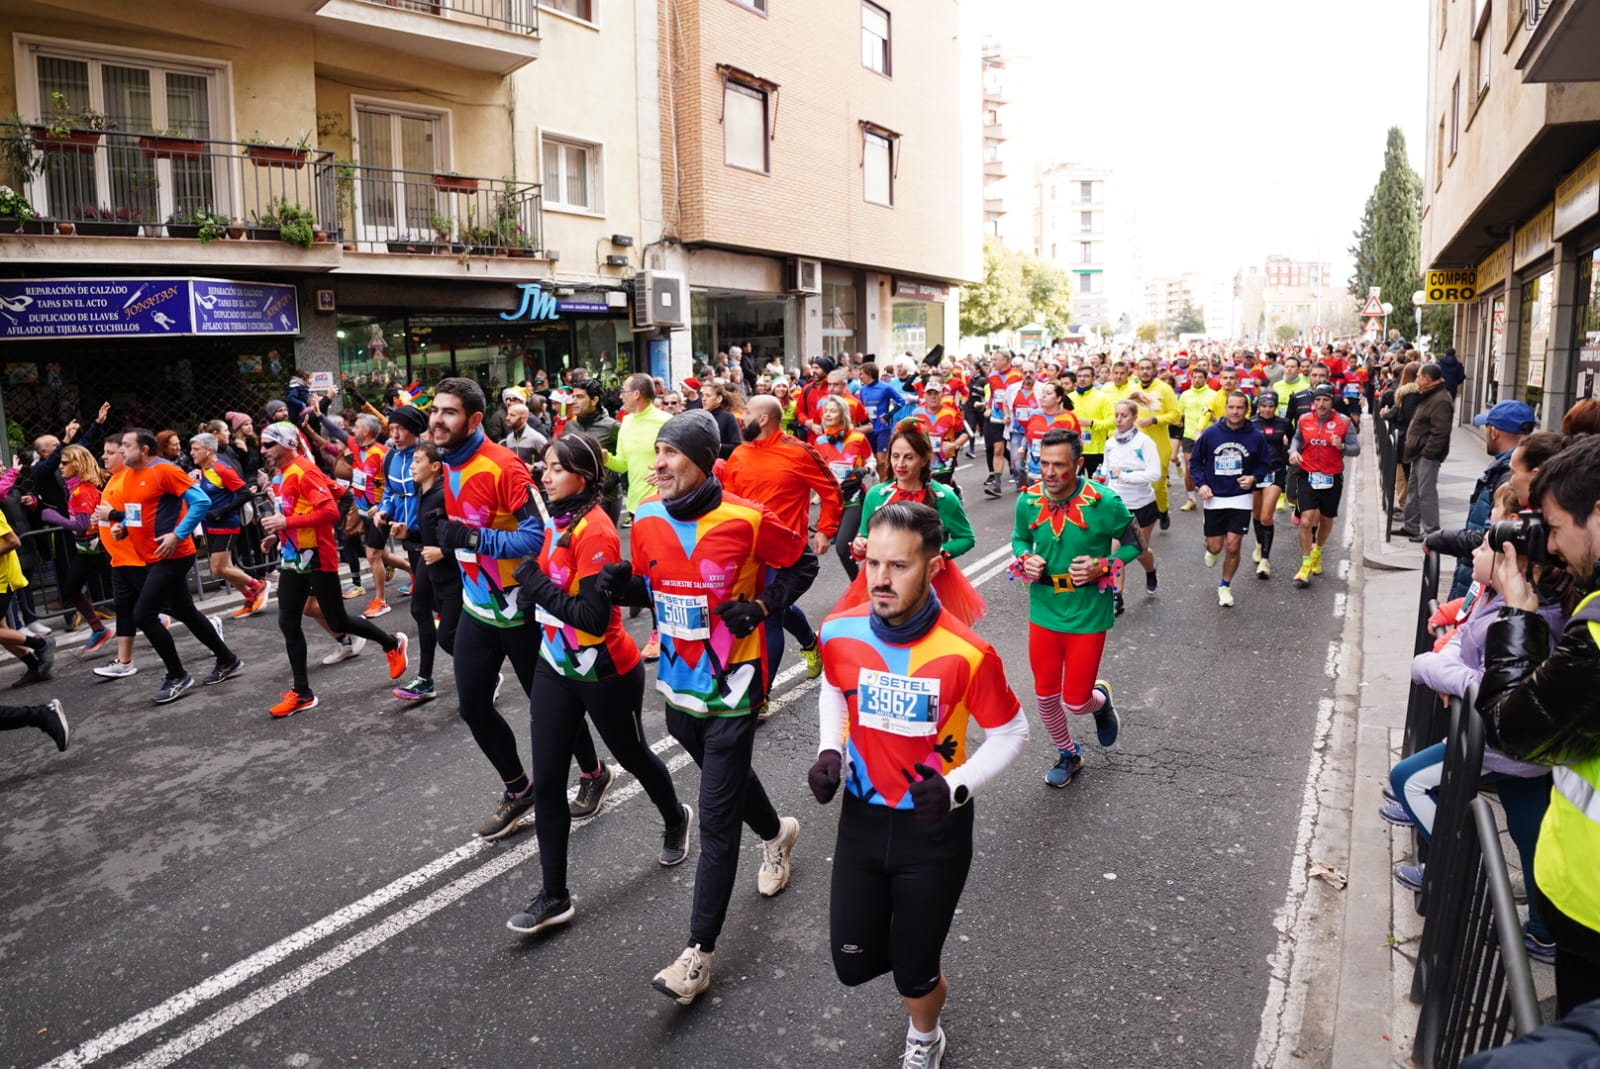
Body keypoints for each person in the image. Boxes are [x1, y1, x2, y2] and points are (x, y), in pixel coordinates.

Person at [598, 409, 816, 1006]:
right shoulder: (644, 519)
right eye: (657, 452)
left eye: (671, 454)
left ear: (702, 463)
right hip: (678, 686)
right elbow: (656, 583)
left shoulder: (745, 519)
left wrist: (766, 605)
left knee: (716, 818)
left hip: (734, 687)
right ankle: (778, 832)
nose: (657, 464)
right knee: (726, 780)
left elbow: (803, 562)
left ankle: (698, 954)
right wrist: (626, 589)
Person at [810, 501, 1027, 1069]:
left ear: (932, 568)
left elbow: (1011, 731)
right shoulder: (839, 630)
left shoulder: (968, 653)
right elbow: (834, 686)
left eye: (899, 566)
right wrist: (830, 749)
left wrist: (957, 786)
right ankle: (913, 962)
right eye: (873, 563)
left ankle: (925, 1036)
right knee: (853, 964)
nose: (880, 579)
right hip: (861, 820)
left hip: (934, 831)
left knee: (914, 969)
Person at [503, 433, 693, 935]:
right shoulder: (556, 520)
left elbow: (590, 616)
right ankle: (554, 894)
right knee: (547, 780)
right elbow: (546, 583)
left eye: (555, 468)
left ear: (582, 477)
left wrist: (535, 586)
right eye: (543, 466)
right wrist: (529, 597)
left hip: (605, 669)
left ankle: (675, 817)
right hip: (555, 667)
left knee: (633, 756)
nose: (543, 475)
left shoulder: (596, 531)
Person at [427, 378, 610, 837]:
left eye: (448, 412)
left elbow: (537, 534)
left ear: (472, 420)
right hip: (478, 607)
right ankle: (518, 789)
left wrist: (468, 538)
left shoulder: (503, 466)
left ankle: (593, 773)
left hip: (523, 609)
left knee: (549, 705)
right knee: (472, 706)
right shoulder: (448, 462)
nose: (437, 419)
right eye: (434, 410)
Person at [1479, 434, 1600, 1015]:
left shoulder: (1598, 637)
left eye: (1553, 526)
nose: (1549, 546)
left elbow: (1515, 729)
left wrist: (1517, 614)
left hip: (1592, 912)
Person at [256, 422, 410, 717]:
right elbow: (340, 494)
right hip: (292, 558)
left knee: (337, 619)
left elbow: (327, 510)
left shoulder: (304, 471)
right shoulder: (281, 476)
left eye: (268, 445)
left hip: (318, 558)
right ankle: (302, 693)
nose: (263, 451)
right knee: (288, 622)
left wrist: (289, 525)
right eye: (262, 445)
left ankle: (392, 643)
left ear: (288, 444)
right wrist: (277, 534)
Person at [1012, 429, 1137, 787]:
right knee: (1045, 695)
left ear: (1079, 464)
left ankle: (1101, 702)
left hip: (1088, 614)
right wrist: (1025, 558)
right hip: (1044, 608)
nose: (1048, 473)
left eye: (1059, 465)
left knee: (1077, 701)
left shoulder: (1105, 501)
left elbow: (1134, 544)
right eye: (1043, 463)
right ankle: (1069, 754)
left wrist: (1104, 565)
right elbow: (1019, 537)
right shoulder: (1028, 499)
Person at [99, 429, 242, 704]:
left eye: (126, 446)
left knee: (143, 614)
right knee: (184, 611)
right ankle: (227, 659)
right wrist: (125, 528)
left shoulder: (164, 470)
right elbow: (137, 511)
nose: (120, 452)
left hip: (174, 555)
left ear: (143, 450)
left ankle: (177, 675)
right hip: (152, 555)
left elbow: (201, 501)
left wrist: (178, 534)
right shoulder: (129, 477)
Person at [723, 394, 843, 688]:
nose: (741, 417)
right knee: (777, 608)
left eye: (747, 412)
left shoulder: (799, 452)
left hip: (784, 552)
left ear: (763, 419)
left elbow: (832, 491)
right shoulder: (739, 455)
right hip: (746, 554)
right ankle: (810, 643)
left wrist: (826, 530)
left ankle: (760, 695)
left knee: (768, 619)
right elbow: (727, 503)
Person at [1437, 400, 1536, 600]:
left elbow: (1488, 536)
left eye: (1487, 426)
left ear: (1494, 432)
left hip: (1483, 585)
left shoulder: (1507, 479)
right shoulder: (1505, 471)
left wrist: (1441, 539)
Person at [390, 439, 459, 703]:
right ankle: (425, 680)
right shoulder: (424, 493)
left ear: (435, 466)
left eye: (417, 461)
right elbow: (429, 534)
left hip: (452, 574)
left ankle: (485, 671)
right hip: (428, 566)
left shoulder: (444, 496)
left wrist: (444, 551)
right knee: (419, 609)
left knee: (449, 637)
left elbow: (463, 535)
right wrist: (410, 533)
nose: (411, 467)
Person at [852, 427, 976, 564]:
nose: (900, 464)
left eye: (909, 457)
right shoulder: (876, 495)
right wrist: (860, 544)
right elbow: (865, 535)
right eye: (895, 456)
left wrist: (936, 552)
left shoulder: (944, 497)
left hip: (928, 577)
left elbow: (966, 538)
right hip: (884, 577)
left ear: (924, 460)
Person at [1192, 392, 1270, 607]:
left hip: (1240, 497)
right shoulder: (1211, 434)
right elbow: (1196, 463)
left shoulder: (1255, 436)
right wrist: (1202, 484)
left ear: (1246, 410)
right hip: (1214, 496)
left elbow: (1264, 464)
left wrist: (1254, 477)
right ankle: (1211, 549)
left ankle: (1225, 585)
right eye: (1231, 407)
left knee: (1233, 546)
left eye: (1239, 408)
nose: (1235, 412)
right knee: (1216, 546)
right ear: (1225, 409)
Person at [39, 444, 113, 652]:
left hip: (98, 550)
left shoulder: (83, 491)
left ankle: (159, 616)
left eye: (64, 463)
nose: (60, 467)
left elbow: (82, 525)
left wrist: (54, 517)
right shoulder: (75, 490)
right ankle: (98, 629)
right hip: (87, 551)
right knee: (71, 590)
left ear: (78, 465)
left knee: (130, 588)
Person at [189, 433, 268, 620]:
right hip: (212, 525)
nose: (191, 453)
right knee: (227, 566)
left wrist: (222, 511)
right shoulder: (205, 469)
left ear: (208, 450)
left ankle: (258, 586)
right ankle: (249, 599)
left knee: (218, 569)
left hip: (226, 525)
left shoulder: (222, 469)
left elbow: (245, 493)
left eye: (195, 449)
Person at [1099, 399, 1162, 609]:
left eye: (1124, 415)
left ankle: (1150, 570)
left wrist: (1125, 476)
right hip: (1118, 506)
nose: (1118, 420)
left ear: (1134, 417)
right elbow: (1107, 470)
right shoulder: (1109, 443)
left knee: (1139, 552)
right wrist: (1101, 478)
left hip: (1142, 504)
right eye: (1116, 415)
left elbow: (1155, 473)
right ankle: (1117, 596)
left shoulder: (1144, 442)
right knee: (1115, 551)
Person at [811, 397, 875, 581]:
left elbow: (871, 460)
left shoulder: (858, 438)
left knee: (841, 546)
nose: (828, 414)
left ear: (843, 414)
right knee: (845, 546)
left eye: (833, 410)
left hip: (853, 497)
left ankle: (859, 584)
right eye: (826, 411)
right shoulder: (820, 441)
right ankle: (865, 579)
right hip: (831, 501)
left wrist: (865, 469)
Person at [1400, 364, 1454, 540]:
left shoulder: (1440, 400)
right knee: (1414, 491)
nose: (1416, 379)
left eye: (1418, 376)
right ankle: (1411, 526)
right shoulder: (1429, 395)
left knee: (1426, 493)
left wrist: (1429, 452)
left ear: (1427, 379)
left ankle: (1431, 532)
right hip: (1419, 451)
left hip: (1427, 454)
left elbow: (1440, 431)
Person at [561, 379, 621, 522]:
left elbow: (624, 460)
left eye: (580, 397)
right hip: (576, 497)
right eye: (573, 396)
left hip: (605, 498)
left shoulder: (612, 427)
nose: (574, 401)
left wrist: (609, 482)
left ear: (594, 400)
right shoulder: (570, 427)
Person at [1249, 392, 1293, 579]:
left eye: (1271, 406)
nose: (1267, 409)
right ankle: (1260, 544)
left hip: (1275, 472)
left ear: (1275, 407)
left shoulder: (1283, 424)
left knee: (1267, 516)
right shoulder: (1250, 424)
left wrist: (1289, 449)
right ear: (1258, 406)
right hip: (1254, 474)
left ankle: (1265, 560)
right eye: (1264, 406)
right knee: (1257, 515)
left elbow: (1294, 443)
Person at [699, 381, 743, 462]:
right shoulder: (700, 417)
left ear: (719, 399)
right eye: (703, 395)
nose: (703, 399)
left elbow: (737, 445)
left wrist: (719, 447)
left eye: (708, 396)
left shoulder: (728, 417)